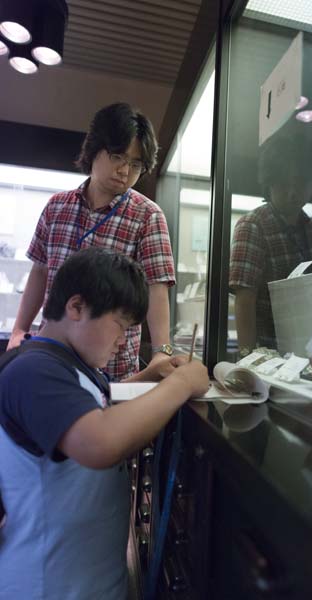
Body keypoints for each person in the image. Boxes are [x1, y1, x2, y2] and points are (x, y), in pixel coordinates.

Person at [0, 247, 209, 600]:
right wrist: (182, 384)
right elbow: (99, 442)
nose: (123, 340)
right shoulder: (32, 371)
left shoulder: (71, 365)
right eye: (120, 325)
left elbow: (96, 402)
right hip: (46, 586)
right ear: (76, 307)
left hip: (87, 580)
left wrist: (149, 374)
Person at [7, 103, 175, 380]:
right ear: (95, 148)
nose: (125, 171)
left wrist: (163, 352)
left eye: (136, 164)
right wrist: (19, 328)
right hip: (52, 356)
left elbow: (157, 290)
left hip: (113, 367)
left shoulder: (147, 215)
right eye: (118, 156)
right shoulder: (56, 207)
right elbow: (40, 271)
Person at [229, 126, 312, 357]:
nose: (292, 192)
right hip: (268, 355)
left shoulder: (310, 227)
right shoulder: (252, 225)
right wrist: (248, 358)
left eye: (300, 182)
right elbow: (244, 299)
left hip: (306, 351)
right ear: (269, 182)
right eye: (283, 183)